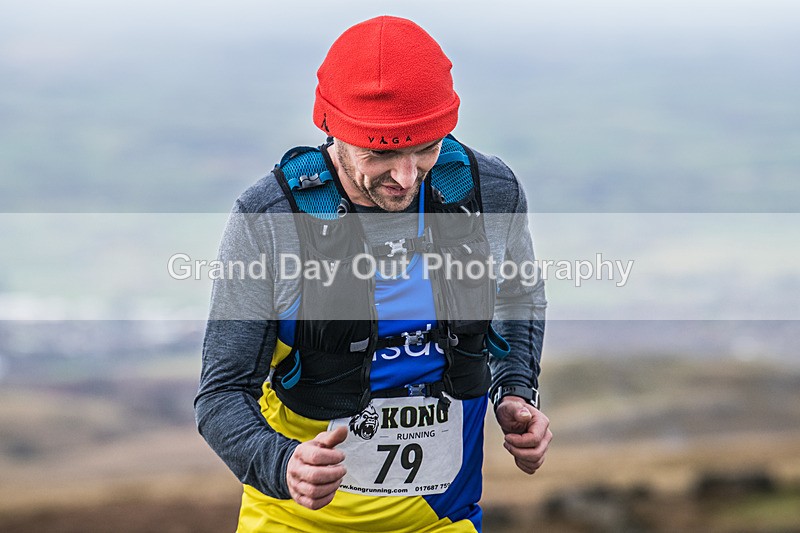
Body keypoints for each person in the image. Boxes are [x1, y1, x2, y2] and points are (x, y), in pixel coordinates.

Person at [195, 15, 550, 532]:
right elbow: (221, 395)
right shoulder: (271, 219)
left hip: (442, 522)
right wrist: (282, 463)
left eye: (426, 148)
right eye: (382, 152)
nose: (405, 178)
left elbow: (520, 295)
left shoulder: (487, 192)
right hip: (295, 523)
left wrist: (516, 389)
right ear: (332, 130)